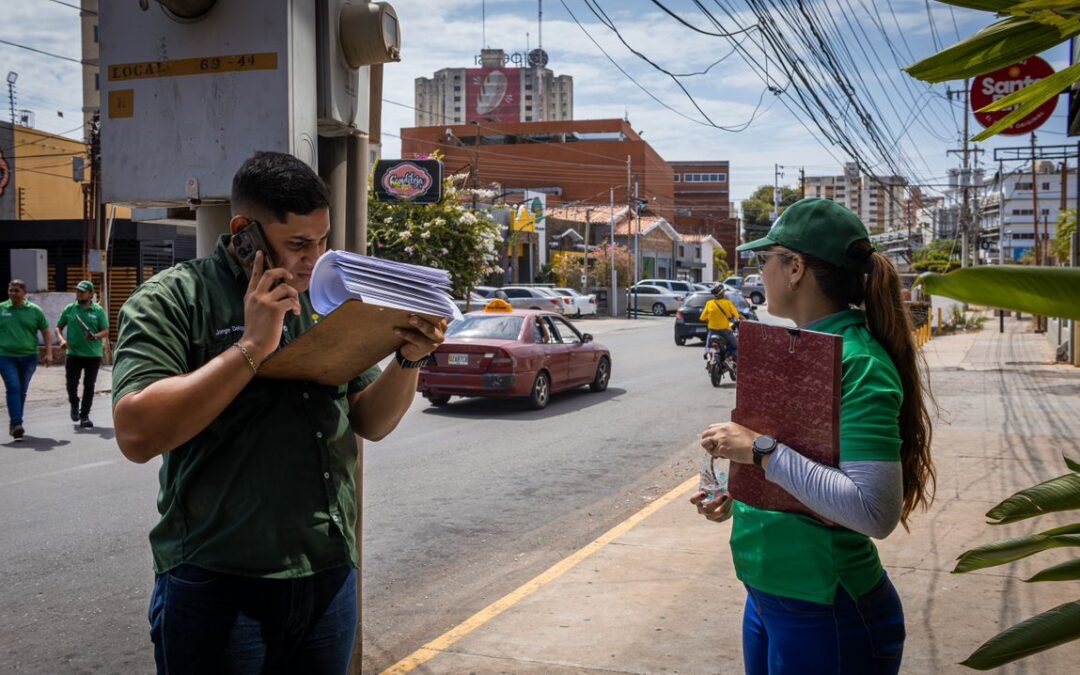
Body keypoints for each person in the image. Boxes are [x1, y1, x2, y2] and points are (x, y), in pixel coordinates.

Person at [111, 151, 447, 674]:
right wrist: (252, 346)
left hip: (327, 574)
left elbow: (371, 422)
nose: (314, 260)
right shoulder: (176, 298)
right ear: (244, 231)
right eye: (297, 245)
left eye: (322, 241)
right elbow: (136, 433)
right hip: (218, 580)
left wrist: (409, 357)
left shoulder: (325, 299)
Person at [690, 198, 935, 675]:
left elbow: (873, 511)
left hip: (830, 608)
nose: (760, 272)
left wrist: (759, 452)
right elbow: (806, 468)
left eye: (766, 259)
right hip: (768, 594)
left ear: (796, 267)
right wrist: (739, 497)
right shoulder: (801, 349)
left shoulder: (858, 363)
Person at [0, 279, 53, 439]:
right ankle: (17, 422)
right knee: (14, 387)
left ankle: (15, 423)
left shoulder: (35, 311)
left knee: (21, 390)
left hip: (29, 357)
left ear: (24, 293)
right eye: (11, 290)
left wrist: (49, 353)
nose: (13, 293)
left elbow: (45, 331)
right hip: (5, 356)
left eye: (16, 290)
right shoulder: (2, 309)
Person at [56, 279, 109, 428]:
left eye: (82, 291)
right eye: (77, 291)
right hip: (73, 353)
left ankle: (84, 415)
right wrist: (61, 340)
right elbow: (58, 327)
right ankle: (74, 404)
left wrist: (95, 336)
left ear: (91, 294)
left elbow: (105, 330)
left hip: (93, 354)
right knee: (71, 383)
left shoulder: (98, 311)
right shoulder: (70, 309)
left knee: (89, 385)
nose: (79, 294)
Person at [699, 285, 742, 363]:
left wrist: (711, 320)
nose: (724, 293)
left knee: (708, 348)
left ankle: (709, 359)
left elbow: (702, 318)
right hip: (725, 331)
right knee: (736, 347)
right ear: (722, 293)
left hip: (712, 331)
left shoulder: (709, 303)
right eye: (723, 292)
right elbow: (737, 315)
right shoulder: (727, 303)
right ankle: (730, 358)